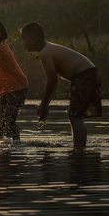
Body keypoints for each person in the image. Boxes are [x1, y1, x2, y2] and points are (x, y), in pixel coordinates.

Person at [21, 22, 101, 150]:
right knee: (75, 114)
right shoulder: (47, 49)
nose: (23, 43)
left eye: (24, 39)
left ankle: (79, 149)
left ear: (34, 39)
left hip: (85, 75)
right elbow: (54, 80)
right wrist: (45, 104)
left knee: (74, 114)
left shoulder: (45, 52)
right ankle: (79, 148)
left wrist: (44, 104)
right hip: (89, 74)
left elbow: (52, 80)